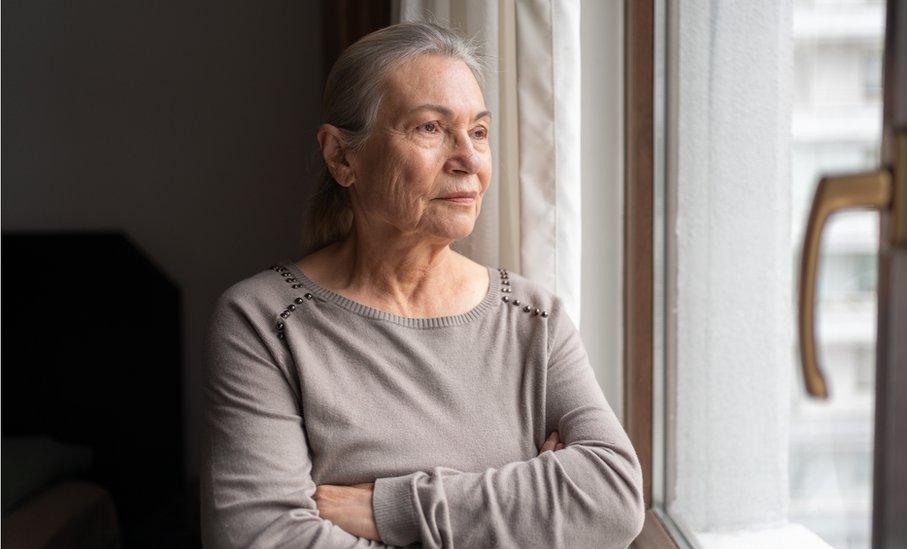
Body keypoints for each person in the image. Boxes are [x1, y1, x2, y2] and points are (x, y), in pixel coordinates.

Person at [200, 21, 645, 549]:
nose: (469, 160)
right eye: (431, 128)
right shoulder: (264, 321)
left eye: (478, 132)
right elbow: (263, 539)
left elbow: (613, 500)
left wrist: (387, 508)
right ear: (343, 156)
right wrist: (525, 517)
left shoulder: (532, 317)